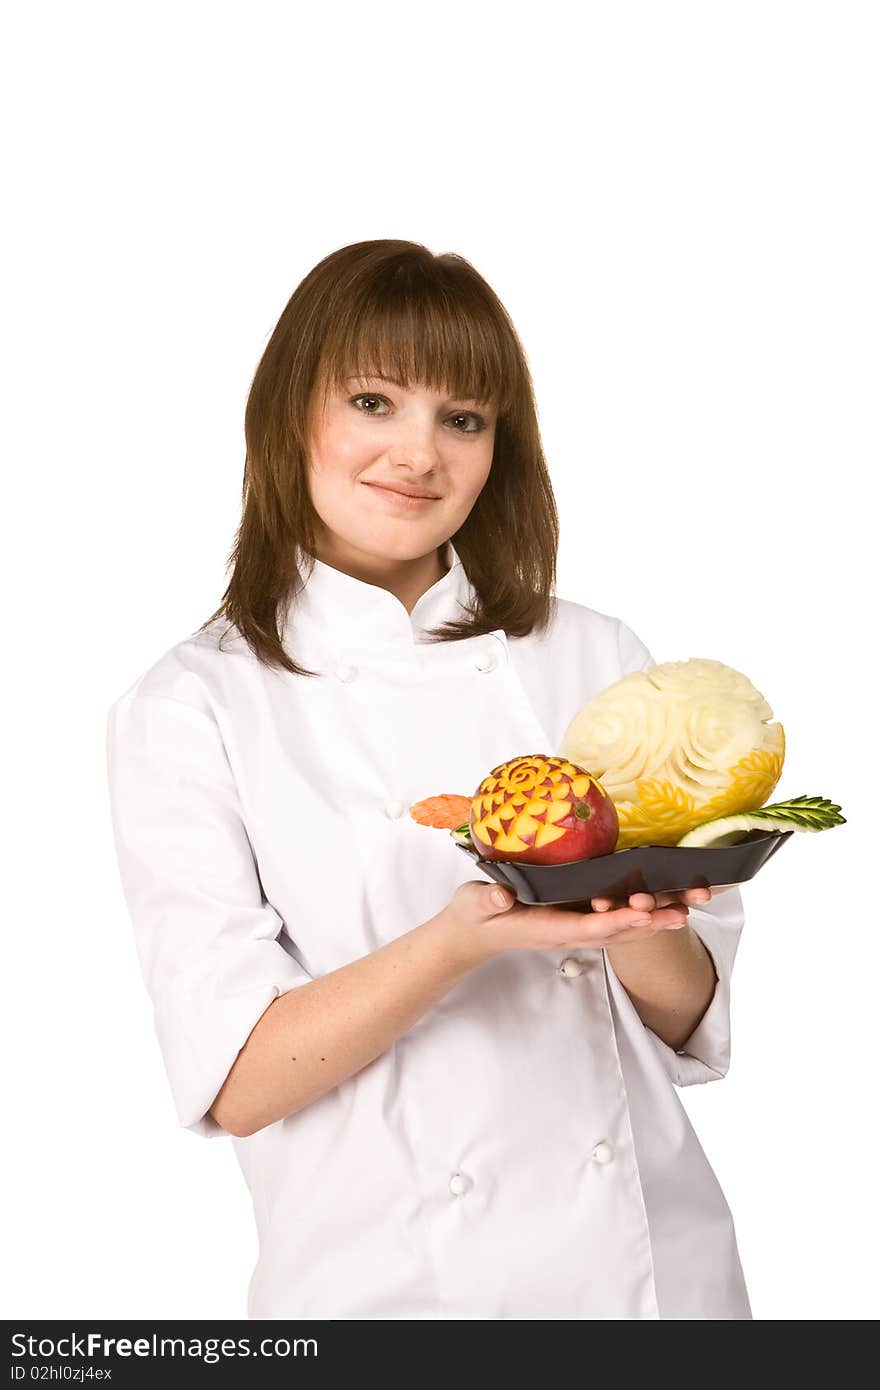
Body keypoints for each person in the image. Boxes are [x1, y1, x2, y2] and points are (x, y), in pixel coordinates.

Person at [105, 238, 751, 1320]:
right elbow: (240, 1082)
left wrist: (634, 911)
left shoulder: (593, 655)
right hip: (388, 1293)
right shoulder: (192, 705)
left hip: (656, 1288)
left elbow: (687, 1019)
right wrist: (461, 938)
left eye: (463, 419)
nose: (418, 453)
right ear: (287, 417)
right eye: (373, 400)